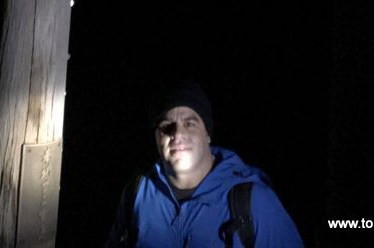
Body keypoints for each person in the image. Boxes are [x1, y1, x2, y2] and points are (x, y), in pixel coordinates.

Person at [105, 81, 303, 247]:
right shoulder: (137, 193)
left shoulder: (253, 201)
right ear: (156, 138)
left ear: (207, 133)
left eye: (190, 124)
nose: (178, 134)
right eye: (166, 126)